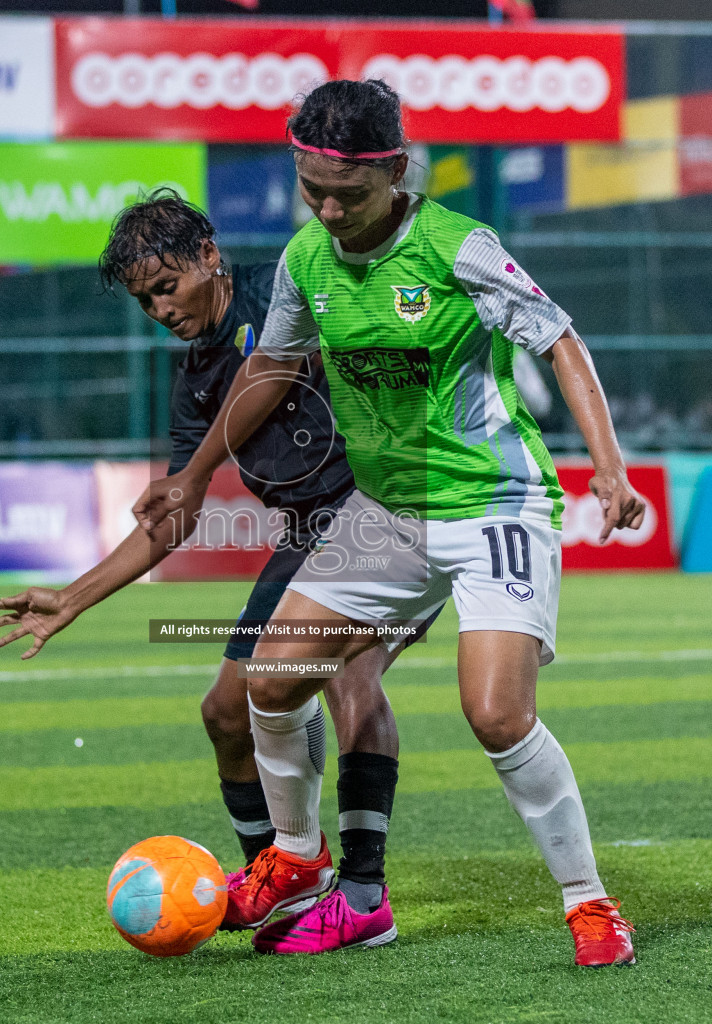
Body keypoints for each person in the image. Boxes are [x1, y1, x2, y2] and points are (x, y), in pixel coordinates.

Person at [134, 80, 644, 966]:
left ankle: (591, 904)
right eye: (312, 189)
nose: (329, 209)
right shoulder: (305, 261)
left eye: (349, 193)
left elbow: (558, 340)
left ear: (396, 172)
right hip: (386, 514)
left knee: (495, 715)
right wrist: (197, 472)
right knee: (271, 680)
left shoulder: (460, 249)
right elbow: (273, 368)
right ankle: (297, 862)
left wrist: (608, 469)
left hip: (492, 502)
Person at [0, 190, 438, 948]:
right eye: (144, 299)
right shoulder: (195, 381)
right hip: (306, 536)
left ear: (209, 257)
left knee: (351, 674)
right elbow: (174, 513)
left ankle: (361, 894)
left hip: (391, 512)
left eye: (167, 286)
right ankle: (281, 881)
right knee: (225, 712)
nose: (160, 308)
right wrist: (74, 597)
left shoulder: (288, 288)